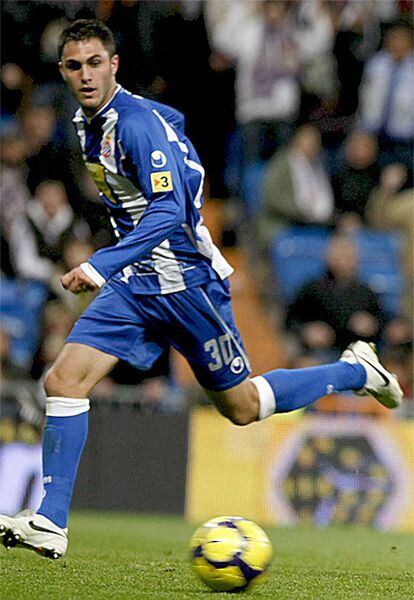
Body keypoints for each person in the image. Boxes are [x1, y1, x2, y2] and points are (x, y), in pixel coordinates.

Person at [0, 19, 402, 560]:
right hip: (136, 283)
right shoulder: (86, 121)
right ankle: (50, 520)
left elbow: (167, 207)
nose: (86, 75)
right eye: (74, 66)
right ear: (63, 71)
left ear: (114, 64)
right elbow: (175, 127)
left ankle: (356, 371)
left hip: (187, 284)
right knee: (64, 379)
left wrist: (101, 264)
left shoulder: (134, 124)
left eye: (96, 62)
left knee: (242, 406)